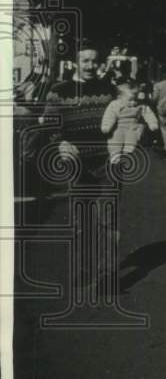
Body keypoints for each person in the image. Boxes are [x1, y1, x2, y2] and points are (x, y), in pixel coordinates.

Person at [37, 42, 117, 287]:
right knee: (82, 221)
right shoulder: (59, 91)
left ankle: (105, 276)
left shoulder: (110, 90)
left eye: (94, 61)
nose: (91, 66)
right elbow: (50, 122)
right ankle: (83, 270)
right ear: (75, 63)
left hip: (107, 162)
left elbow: (126, 117)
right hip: (77, 164)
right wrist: (59, 143)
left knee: (106, 220)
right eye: (85, 61)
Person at [101, 80, 159, 167]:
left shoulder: (140, 105)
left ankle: (127, 153)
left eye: (135, 99)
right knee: (115, 138)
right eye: (130, 100)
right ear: (119, 97)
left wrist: (152, 123)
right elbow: (109, 115)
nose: (133, 102)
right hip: (119, 127)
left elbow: (148, 113)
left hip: (133, 126)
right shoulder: (115, 104)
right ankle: (115, 154)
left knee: (133, 136)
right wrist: (106, 126)